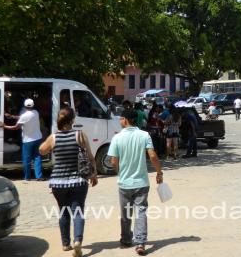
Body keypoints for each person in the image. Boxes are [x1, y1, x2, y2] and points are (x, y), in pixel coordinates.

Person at [39, 107, 98, 257]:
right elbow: (90, 157)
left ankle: (66, 244)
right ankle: (78, 241)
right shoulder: (80, 135)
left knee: (63, 212)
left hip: (58, 182)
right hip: (78, 181)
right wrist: (94, 174)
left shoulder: (54, 137)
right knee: (77, 211)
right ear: (72, 120)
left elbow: (41, 150)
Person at [108, 109, 163, 256]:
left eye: (121, 119)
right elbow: (152, 156)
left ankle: (126, 239)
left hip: (124, 183)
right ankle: (140, 243)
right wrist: (159, 172)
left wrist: (119, 171)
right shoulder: (144, 135)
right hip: (141, 183)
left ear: (125, 120)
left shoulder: (117, 138)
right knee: (141, 212)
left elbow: (113, 161)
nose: (120, 121)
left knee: (126, 213)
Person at [0, 98, 44, 181]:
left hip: (28, 141)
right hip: (38, 138)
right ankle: (39, 176)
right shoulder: (36, 113)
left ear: (24, 106)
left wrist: (4, 126)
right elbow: (24, 117)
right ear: (33, 105)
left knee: (27, 159)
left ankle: (27, 177)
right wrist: (12, 116)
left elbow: (15, 127)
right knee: (37, 157)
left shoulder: (24, 116)